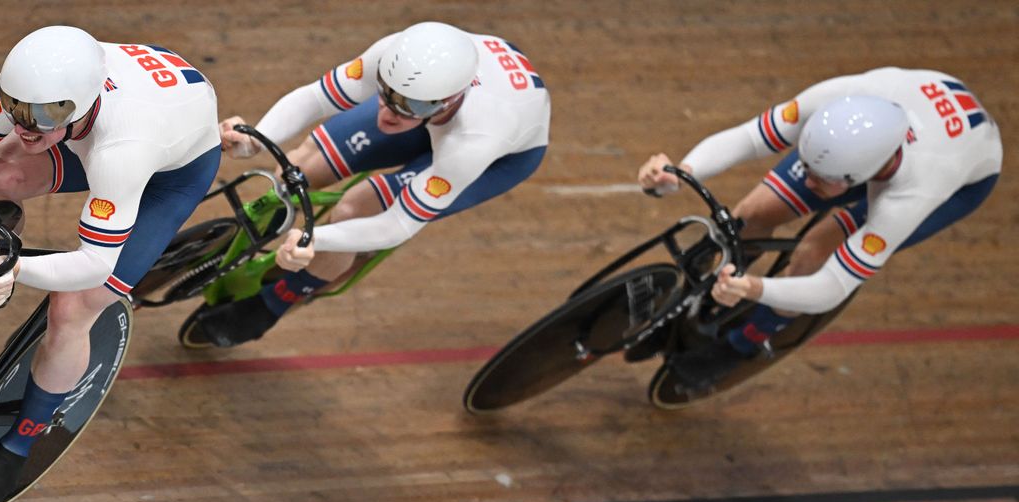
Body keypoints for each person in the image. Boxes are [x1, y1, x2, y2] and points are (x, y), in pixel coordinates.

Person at [0, 26, 221, 502]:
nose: (26, 126)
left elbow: (92, 266)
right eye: (16, 111)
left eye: (43, 116)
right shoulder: (33, 89)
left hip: (169, 168)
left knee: (73, 308)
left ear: (78, 104)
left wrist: (20, 271)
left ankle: (21, 443)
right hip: (111, 119)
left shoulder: (123, 148)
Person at [637, 67, 1002, 390]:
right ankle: (693, 298)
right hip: (901, 128)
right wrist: (682, 172)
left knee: (814, 250)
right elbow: (750, 137)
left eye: (819, 177)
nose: (806, 179)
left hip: (961, 180)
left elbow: (831, 287)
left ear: (861, 176)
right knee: (752, 213)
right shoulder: (836, 102)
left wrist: (754, 288)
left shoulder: (910, 195)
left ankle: (742, 344)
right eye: (806, 166)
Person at [193, 20, 551, 347]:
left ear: (448, 99)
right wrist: (256, 138)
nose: (386, 115)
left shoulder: (476, 138)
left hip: (499, 154)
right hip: (437, 113)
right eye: (384, 94)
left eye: (404, 107)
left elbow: (398, 223)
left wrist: (316, 238)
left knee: (354, 210)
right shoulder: (398, 60)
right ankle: (257, 235)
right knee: (301, 166)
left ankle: (276, 301)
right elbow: (316, 97)